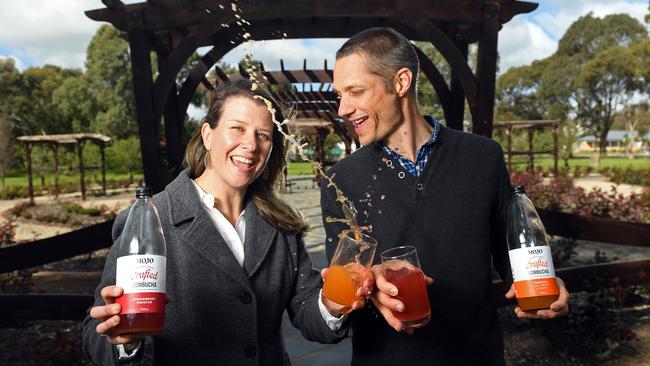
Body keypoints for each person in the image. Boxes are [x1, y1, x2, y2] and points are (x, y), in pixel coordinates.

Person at [320, 27, 570, 365]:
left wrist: (544, 285)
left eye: (355, 92)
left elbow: (511, 252)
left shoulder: (484, 158)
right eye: (340, 94)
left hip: (477, 356)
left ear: (401, 82)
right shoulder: (341, 179)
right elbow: (345, 282)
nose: (343, 108)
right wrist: (366, 288)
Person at [83, 79, 367, 365]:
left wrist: (331, 304)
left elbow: (307, 311)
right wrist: (124, 341)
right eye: (237, 128)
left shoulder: (281, 225)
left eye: (264, 135)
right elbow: (96, 338)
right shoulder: (153, 218)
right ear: (208, 135)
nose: (250, 145)